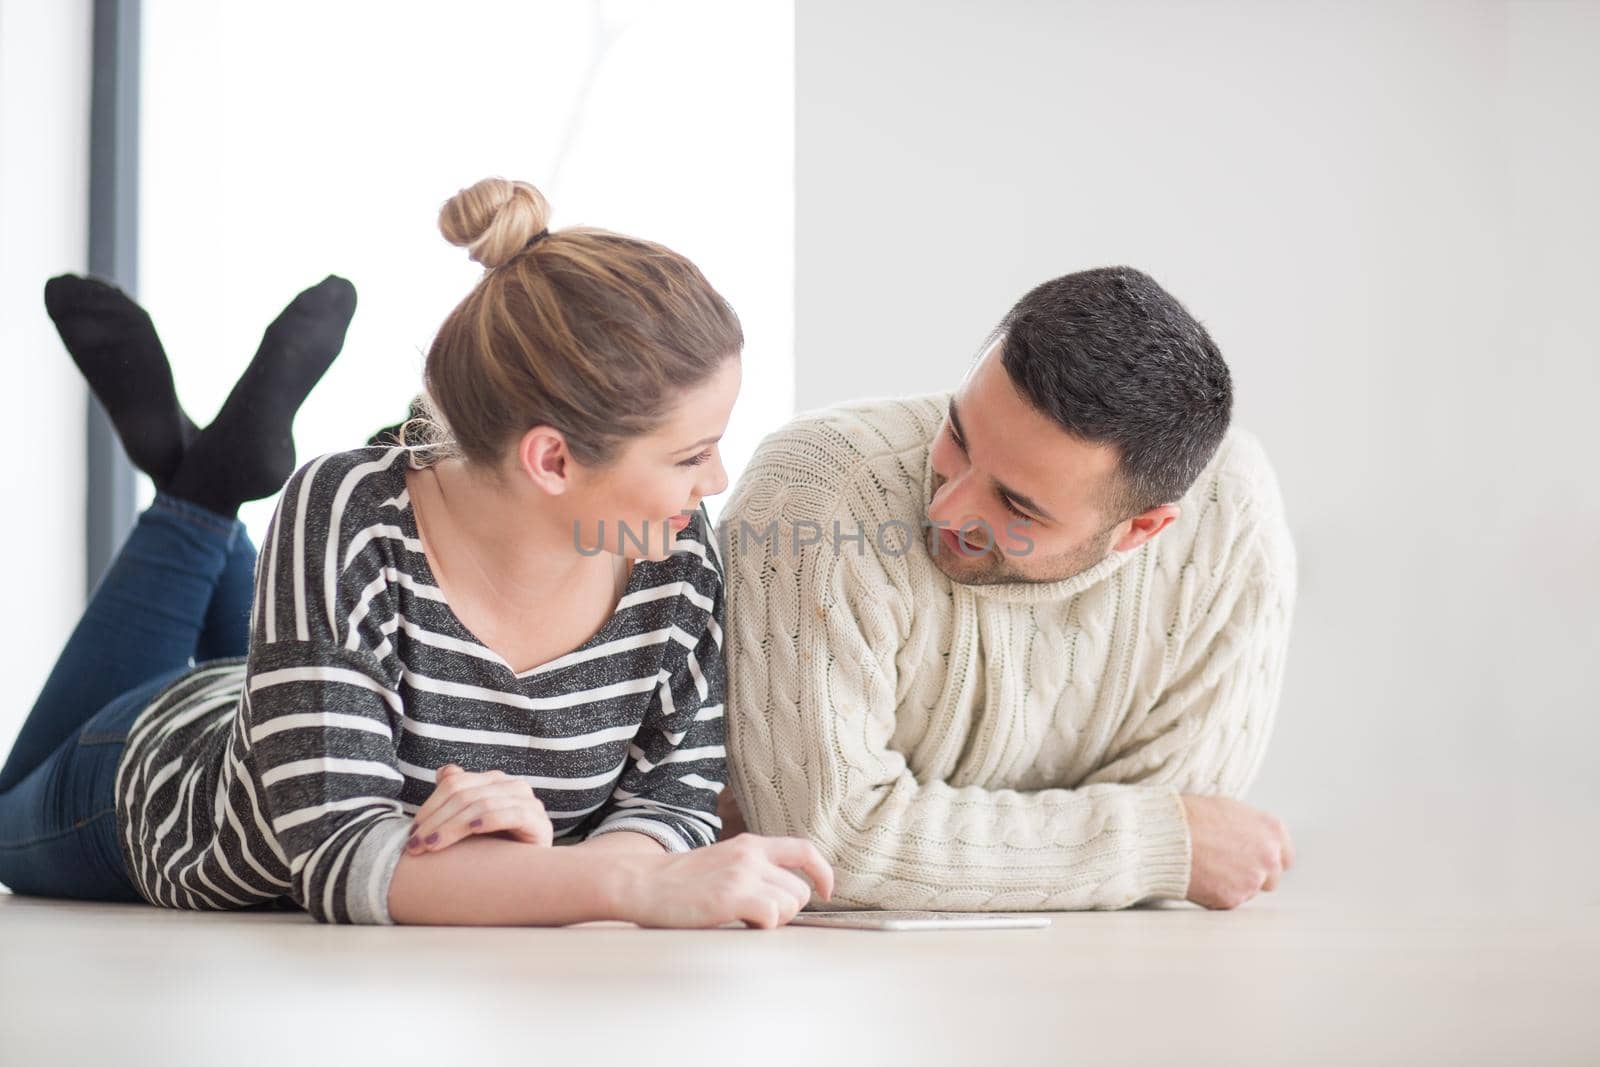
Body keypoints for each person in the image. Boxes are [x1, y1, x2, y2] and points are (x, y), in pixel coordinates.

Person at [0, 177, 832, 927]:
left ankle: (201, 472)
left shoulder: (677, 553)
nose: (716, 479)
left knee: (292, 668)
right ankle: (202, 494)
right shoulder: (348, 510)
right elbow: (340, 854)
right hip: (166, 776)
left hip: (306, 692)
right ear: (552, 459)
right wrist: (622, 884)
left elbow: (671, 801)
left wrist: (548, 865)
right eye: (690, 455)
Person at [718, 267, 1295, 912]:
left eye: (1017, 505)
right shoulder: (819, 492)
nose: (946, 510)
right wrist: (1156, 844)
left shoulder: (1229, 518)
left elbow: (1183, 793)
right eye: (958, 437)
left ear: (1140, 529)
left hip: (1104, 972)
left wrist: (924, 845)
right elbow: (826, 843)